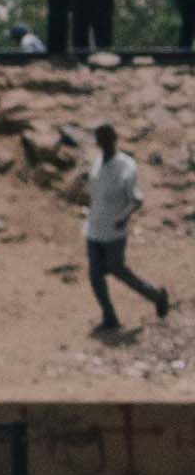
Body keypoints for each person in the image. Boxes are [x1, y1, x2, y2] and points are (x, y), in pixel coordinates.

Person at [93, 123, 173, 346]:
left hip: (115, 232)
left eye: (105, 138)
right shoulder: (97, 163)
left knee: (116, 269)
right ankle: (110, 318)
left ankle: (157, 296)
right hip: (95, 229)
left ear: (113, 139)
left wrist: (123, 216)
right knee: (95, 274)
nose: (102, 143)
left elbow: (136, 198)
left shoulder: (126, 166)